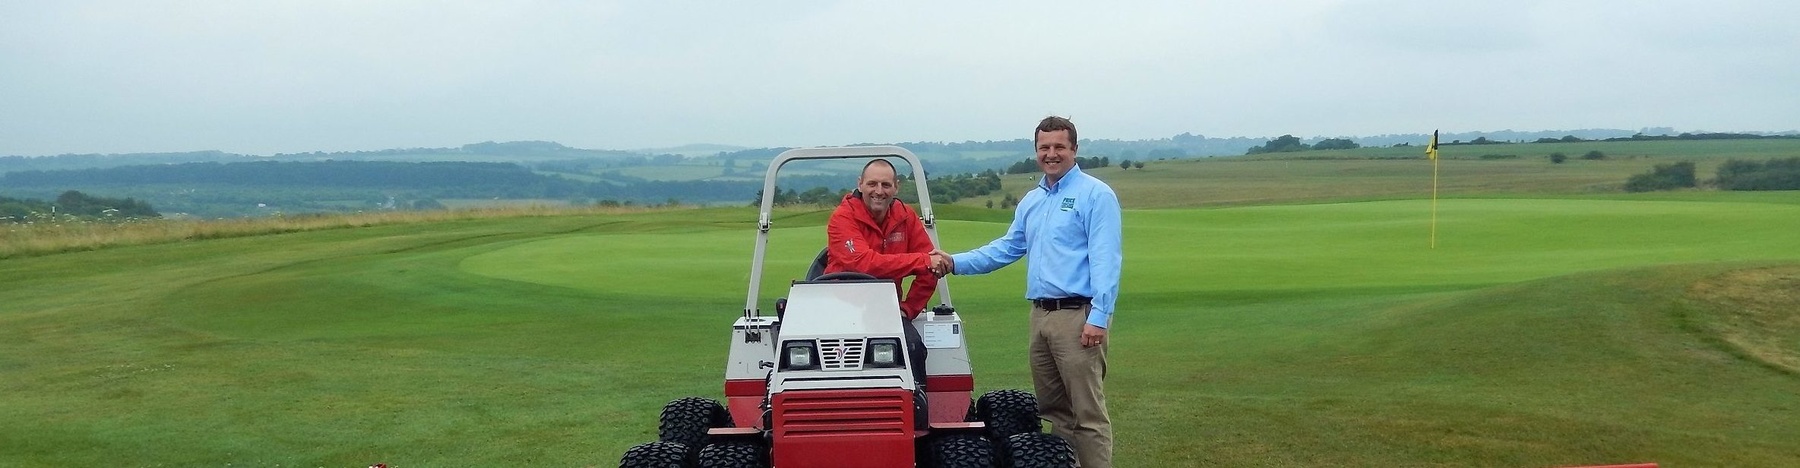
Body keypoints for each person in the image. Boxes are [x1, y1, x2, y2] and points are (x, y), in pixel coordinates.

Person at [931, 116, 1121, 467]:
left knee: (1087, 414)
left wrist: (1099, 316)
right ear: (1036, 151)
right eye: (1044, 147)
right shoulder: (1033, 200)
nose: (1051, 154)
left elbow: (1106, 259)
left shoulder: (1096, 195)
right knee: (1056, 412)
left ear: (1074, 149)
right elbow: (1007, 248)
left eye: (1059, 146)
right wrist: (955, 262)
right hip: (1041, 315)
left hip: (1078, 316)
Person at [824, 158, 939, 395]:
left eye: (886, 185)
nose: (879, 191)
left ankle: (916, 407)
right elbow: (864, 264)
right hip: (840, 310)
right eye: (872, 184)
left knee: (913, 348)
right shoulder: (842, 217)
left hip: (887, 311)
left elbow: (931, 268)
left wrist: (909, 308)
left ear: (896, 187)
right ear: (860, 184)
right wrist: (922, 261)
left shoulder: (905, 216)